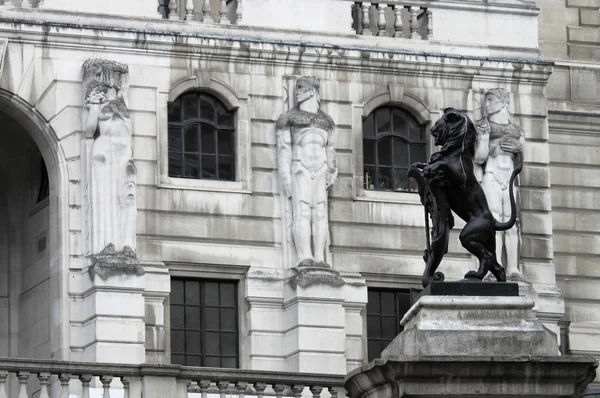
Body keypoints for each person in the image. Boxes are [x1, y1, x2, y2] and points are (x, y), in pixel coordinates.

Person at [276, 77, 337, 265]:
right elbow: (284, 148)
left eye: (301, 88)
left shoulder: (326, 120)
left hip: (321, 169)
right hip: (299, 168)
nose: (297, 91)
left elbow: (331, 148)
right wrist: (285, 175)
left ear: (312, 91)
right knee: (302, 211)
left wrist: (332, 171)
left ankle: (319, 256)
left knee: (319, 213)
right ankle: (303, 255)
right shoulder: (288, 118)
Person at [474, 88, 525, 279]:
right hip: (492, 175)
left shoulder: (517, 131)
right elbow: (479, 158)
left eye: (491, 100)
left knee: (512, 224)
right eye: (486, 101)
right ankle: (494, 266)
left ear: (503, 102)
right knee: (493, 221)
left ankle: (513, 268)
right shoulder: (484, 126)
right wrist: (486, 138)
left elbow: (521, 163)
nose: (487, 105)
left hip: (510, 177)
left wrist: (519, 149)